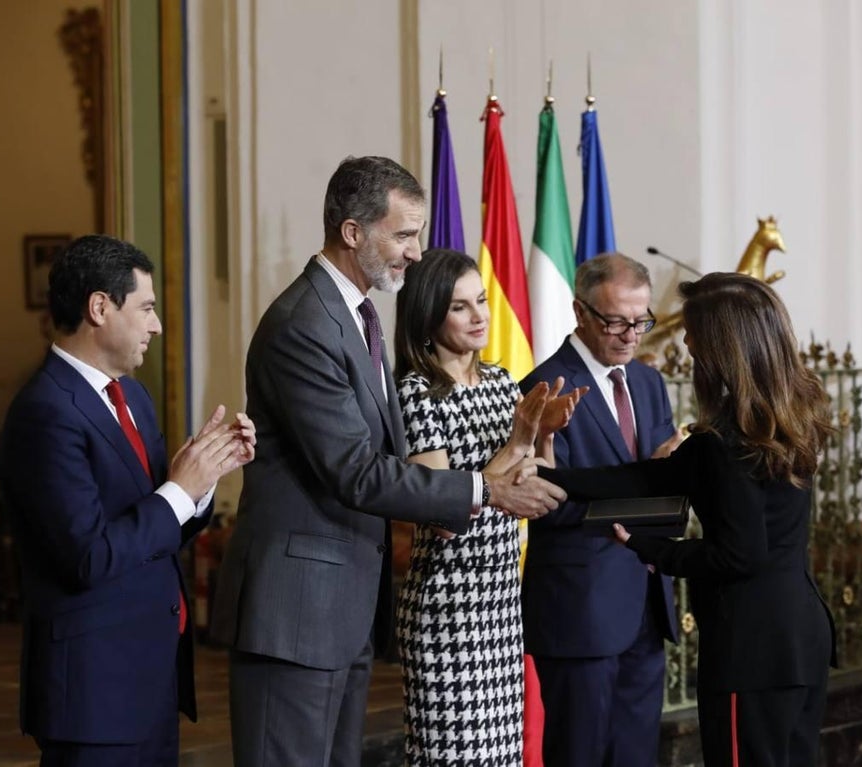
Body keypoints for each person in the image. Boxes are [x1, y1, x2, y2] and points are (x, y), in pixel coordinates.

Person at [208, 156, 565, 767]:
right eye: (403, 235)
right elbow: (353, 469)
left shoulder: (356, 315)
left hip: (340, 612)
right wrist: (485, 489)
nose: (415, 252)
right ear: (353, 232)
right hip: (296, 613)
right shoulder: (304, 324)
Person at [539, 272, 837, 767]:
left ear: (721, 346)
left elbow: (738, 555)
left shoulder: (722, 443)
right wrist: (551, 478)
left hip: (752, 651)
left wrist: (650, 549)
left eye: (693, 333)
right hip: (802, 637)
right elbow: (646, 477)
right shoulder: (789, 418)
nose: (687, 345)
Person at [0, 234, 257, 766]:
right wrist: (178, 490)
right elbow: (88, 556)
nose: (156, 326)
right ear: (99, 308)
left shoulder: (132, 395)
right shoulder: (44, 412)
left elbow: (155, 527)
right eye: (146, 308)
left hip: (151, 679)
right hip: (94, 693)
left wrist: (204, 478)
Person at [393, 248, 584, 765]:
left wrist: (544, 436)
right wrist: (517, 440)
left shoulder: (501, 383)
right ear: (428, 315)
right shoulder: (416, 393)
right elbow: (440, 515)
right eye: (460, 307)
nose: (480, 315)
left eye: (481, 300)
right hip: (447, 605)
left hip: (500, 601)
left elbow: (532, 484)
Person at [519, 253, 682, 767]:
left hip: (647, 603)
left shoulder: (650, 384)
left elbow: (668, 494)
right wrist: (647, 487)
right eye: (616, 322)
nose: (631, 335)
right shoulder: (543, 388)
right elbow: (548, 503)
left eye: (641, 321)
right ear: (580, 312)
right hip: (581, 611)